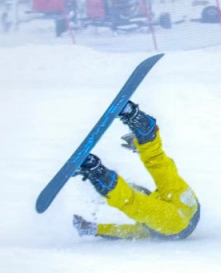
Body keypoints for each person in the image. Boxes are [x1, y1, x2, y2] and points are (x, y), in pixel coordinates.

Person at [72, 101, 201, 240]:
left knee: (158, 161)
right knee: (130, 201)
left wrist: (94, 229)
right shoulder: (153, 225)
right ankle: (95, 170)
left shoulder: (159, 204)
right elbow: (126, 231)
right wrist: (94, 229)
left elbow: (125, 230)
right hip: (175, 225)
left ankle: (140, 123)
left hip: (191, 204)